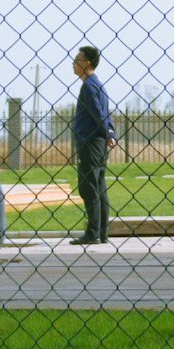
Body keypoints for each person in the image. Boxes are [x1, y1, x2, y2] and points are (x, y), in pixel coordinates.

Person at [69, 44, 117, 245]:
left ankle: (92, 232)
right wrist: (111, 132)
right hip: (99, 143)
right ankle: (102, 232)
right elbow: (106, 112)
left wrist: (107, 132)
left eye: (77, 60)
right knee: (99, 186)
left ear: (87, 62)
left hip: (90, 142)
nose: (73, 63)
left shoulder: (88, 86)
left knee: (88, 187)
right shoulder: (98, 84)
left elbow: (98, 112)